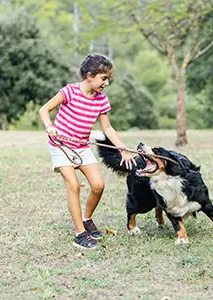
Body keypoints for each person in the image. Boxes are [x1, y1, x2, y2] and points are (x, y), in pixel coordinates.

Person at [39, 54, 136, 250]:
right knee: (73, 185)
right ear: (90, 76)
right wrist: (49, 126)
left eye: (108, 78)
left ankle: (87, 219)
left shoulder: (101, 100)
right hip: (61, 145)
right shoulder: (69, 92)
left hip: (81, 146)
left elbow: (108, 129)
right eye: (104, 78)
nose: (106, 83)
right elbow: (44, 109)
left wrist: (122, 149)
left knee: (98, 185)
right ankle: (80, 234)